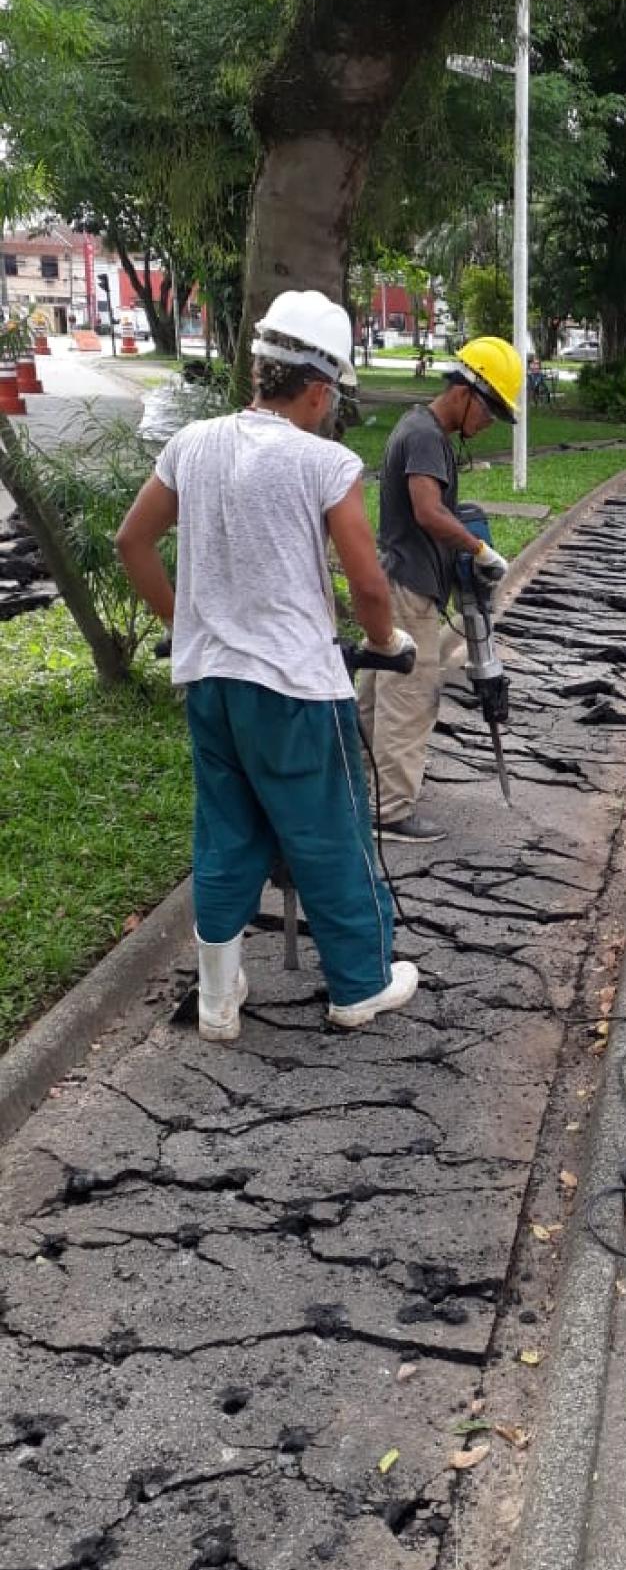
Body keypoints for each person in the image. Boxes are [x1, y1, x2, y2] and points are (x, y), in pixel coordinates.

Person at [115, 290, 419, 1040]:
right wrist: (385, 644)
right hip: (294, 690)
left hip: (211, 684)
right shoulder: (324, 461)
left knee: (225, 836)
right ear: (317, 388)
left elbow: (133, 541)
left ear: (262, 368)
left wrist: (185, 624)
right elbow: (368, 583)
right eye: (333, 397)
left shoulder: (193, 443)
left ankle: (219, 1002)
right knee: (330, 832)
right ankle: (360, 984)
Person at [358, 337, 519, 844]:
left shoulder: (420, 429)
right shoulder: (426, 436)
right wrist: (478, 550)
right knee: (411, 696)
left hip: (395, 576)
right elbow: (428, 511)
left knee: (376, 694)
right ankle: (390, 811)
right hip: (409, 586)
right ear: (466, 391)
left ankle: (360, 792)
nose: (489, 422)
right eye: (489, 410)